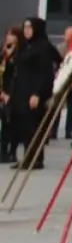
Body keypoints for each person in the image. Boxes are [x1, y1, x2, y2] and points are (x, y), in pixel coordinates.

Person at [9, 17, 62, 170]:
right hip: (21, 91)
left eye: (29, 28)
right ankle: (27, 157)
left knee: (33, 127)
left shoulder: (43, 47)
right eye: (25, 27)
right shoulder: (25, 45)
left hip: (34, 93)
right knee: (24, 127)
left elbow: (46, 73)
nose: (26, 31)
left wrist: (38, 93)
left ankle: (35, 158)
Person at [0, 27, 21, 162]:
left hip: (16, 93)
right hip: (4, 93)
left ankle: (12, 151)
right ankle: (3, 152)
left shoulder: (20, 55)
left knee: (14, 125)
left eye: (12, 35)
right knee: (5, 124)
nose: (9, 38)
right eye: (8, 35)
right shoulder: (3, 55)